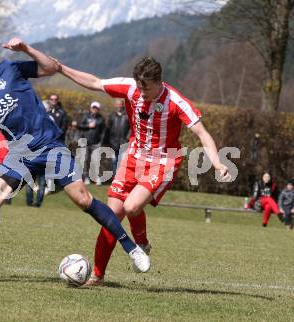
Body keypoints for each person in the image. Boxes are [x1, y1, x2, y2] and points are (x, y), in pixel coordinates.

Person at [0, 38, 150, 278]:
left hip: (50, 145)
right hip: (21, 154)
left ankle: (131, 248)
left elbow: (51, 67)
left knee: (83, 200)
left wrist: (27, 49)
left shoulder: (10, 69)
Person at [54, 55, 231, 286]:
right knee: (111, 216)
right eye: (139, 87)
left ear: (159, 82)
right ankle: (97, 277)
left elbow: (202, 134)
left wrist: (217, 163)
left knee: (131, 206)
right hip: (132, 158)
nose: (141, 93)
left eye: (146, 88)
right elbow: (95, 82)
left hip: (163, 161)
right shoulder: (131, 88)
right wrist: (60, 68)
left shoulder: (176, 101)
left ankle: (141, 242)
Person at [78, 101, 105, 185]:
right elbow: (80, 125)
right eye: (93, 108)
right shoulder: (86, 116)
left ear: (99, 109)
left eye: (96, 108)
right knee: (85, 160)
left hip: (96, 142)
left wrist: (101, 141)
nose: (94, 109)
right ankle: (86, 177)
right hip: (85, 141)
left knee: (96, 160)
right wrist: (88, 126)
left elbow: (103, 131)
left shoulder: (101, 118)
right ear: (91, 108)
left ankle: (97, 177)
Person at [103, 99, 130, 176]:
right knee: (114, 161)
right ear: (115, 105)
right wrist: (106, 142)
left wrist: (127, 138)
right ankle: (116, 178)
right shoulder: (111, 116)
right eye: (117, 104)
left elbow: (132, 128)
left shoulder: (128, 115)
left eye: (120, 104)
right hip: (113, 143)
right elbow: (107, 129)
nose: (119, 106)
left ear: (123, 105)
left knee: (123, 161)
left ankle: (122, 177)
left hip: (124, 142)